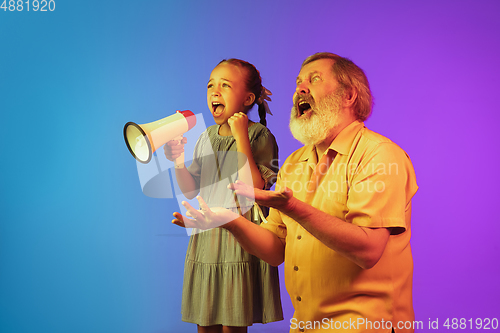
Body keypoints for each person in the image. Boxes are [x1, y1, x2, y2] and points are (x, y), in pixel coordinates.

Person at [173, 52, 418, 333]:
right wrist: (227, 221)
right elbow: (276, 249)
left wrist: (294, 209)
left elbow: (368, 250)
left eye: (314, 79)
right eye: (298, 81)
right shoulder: (293, 163)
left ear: (349, 96)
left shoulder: (379, 155)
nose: (300, 88)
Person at [164, 59, 283, 333]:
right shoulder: (206, 136)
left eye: (225, 85)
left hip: (239, 239)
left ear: (248, 98)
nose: (214, 91)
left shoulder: (259, 135)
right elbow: (191, 189)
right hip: (208, 237)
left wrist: (241, 135)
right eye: (210, 85)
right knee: (205, 322)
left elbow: (253, 189)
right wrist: (179, 161)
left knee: (232, 324)